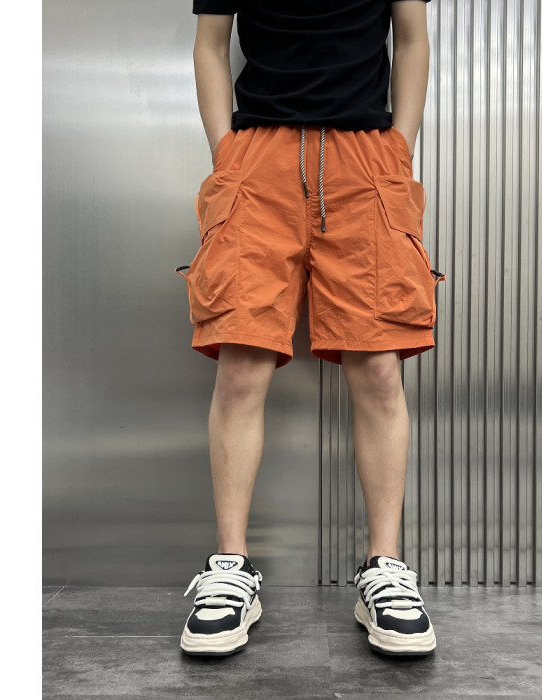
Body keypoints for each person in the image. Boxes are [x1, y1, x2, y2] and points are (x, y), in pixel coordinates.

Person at [175, 0, 445, 657]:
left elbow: (412, 38)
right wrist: (226, 154)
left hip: (365, 160)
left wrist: (399, 148)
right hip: (257, 160)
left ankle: (384, 567)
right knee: (241, 366)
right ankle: (231, 568)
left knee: (378, 369)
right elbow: (211, 43)